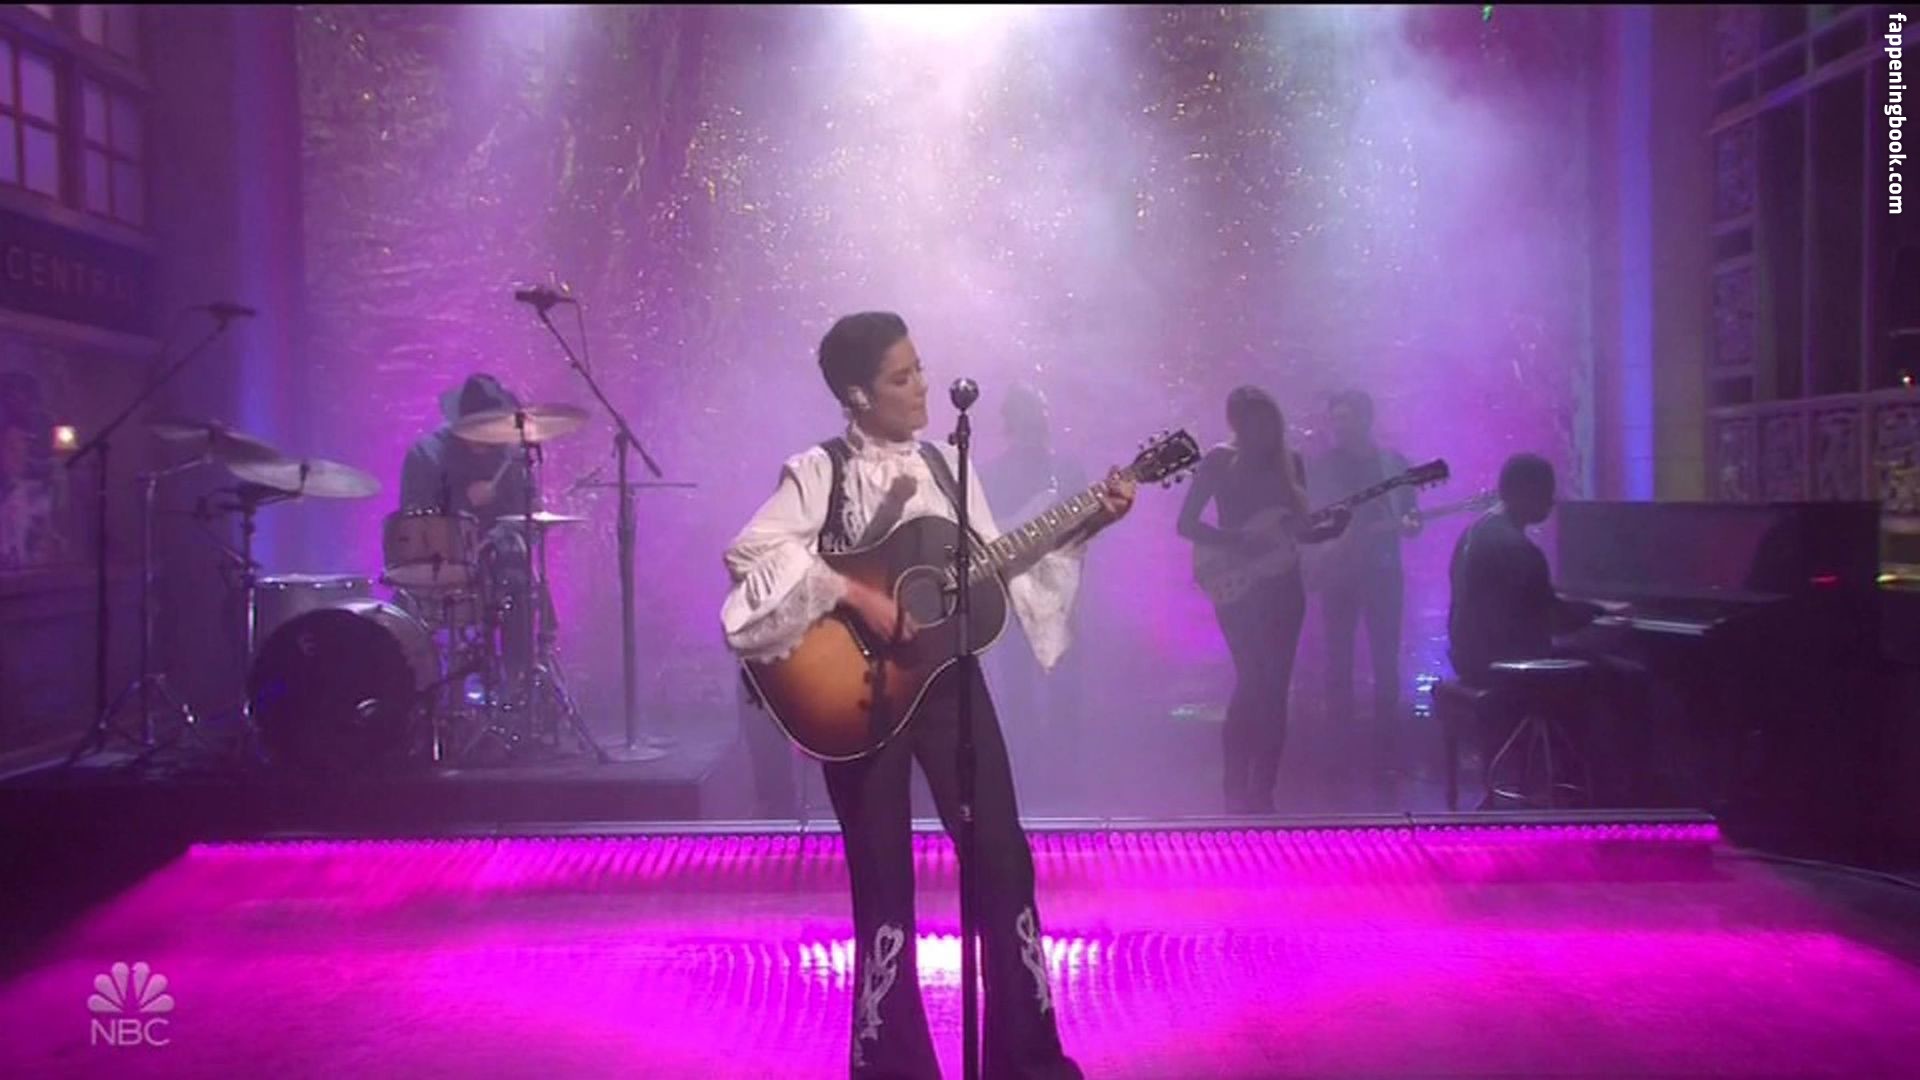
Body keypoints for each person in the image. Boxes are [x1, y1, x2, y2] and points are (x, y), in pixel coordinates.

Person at [721, 312, 1135, 1078]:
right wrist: (855, 594)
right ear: (857, 394)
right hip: (858, 699)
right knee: (884, 885)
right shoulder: (819, 470)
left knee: (1003, 860)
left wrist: (1089, 521)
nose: (922, 387)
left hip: (950, 688)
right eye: (901, 376)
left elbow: (997, 560)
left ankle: (1027, 1062)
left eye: (920, 369)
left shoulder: (948, 465)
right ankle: (892, 1066)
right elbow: (752, 553)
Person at [1177, 386, 1349, 814]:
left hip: (1284, 585)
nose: (1262, 428)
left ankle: (1264, 790)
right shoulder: (1219, 460)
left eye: (1267, 419)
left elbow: (1297, 530)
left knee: (1276, 687)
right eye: (1252, 420)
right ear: (1236, 423)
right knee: (1253, 679)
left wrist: (1329, 531)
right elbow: (1187, 523)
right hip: (1238, 586)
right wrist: (1236, 541)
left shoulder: (1292, 463)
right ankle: (1235, 785)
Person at [1446, 453, 1650, 803]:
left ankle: (1570, 775)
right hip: (1503, 663)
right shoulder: (1518, 547)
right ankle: (1613, 789)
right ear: (1523, 492)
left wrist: (1587, 607)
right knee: (1627, 676)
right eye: (1545, 493)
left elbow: (1533, 600)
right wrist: (1601, 610)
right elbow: (1555, 617)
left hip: (1470, 656)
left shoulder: (1475, 532)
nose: (1551, 502)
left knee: (1586, 659)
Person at [980, 383, 1089, 815]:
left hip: (1059, 594)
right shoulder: (991, 475)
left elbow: (1084, 536)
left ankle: (1064, 783)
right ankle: (1024, 782)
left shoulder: (1068, 471)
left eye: (1039, 412)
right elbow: (984, 537)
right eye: (1027, 413)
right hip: (1013, 596)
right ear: (1011, 421)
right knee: (1020, 690)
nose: (1036, 420)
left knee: (1064, 690)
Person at [1307, 389, 1419, 776]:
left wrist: (1410, 523)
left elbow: (1411, 515)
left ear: (1366, 419)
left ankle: (1386, 751)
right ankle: (1340, 751)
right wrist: (1329, 545)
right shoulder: (1322, 467)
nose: (1338, 426)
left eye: (1346, 418)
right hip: (1337, 575)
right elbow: (1313, 519)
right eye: (1335, 418)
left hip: (1383, 574)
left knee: (1385, 662)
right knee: (1338, 662)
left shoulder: (1392, 465)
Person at [398, 374, 535, 686]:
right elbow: (414, 525)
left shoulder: (509, 457)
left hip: (497, 567)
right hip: (440, 566)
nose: (488, 440)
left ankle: (518, 686)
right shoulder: (428, 455)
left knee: (520, 579)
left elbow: (522, 517)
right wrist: (462, 501)